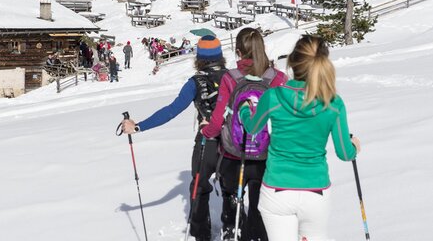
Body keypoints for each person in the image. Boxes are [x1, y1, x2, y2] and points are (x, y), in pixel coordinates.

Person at [238, 34, 361, 241]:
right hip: (315, 192)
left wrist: (244, 111)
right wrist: (354, 146)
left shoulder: (274, 96)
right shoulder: (333, 103)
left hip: (277, 190)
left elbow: (252, 129)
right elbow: (344, 153)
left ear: (293, 62)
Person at [122, 35, 227, 241]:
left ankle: (201, 233)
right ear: (220, 55)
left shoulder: (195, 83)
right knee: (231, 188)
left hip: (207, 142)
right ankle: (234, 229)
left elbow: (172, 110)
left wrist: (139, 126)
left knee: (198, 185)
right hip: (232, 141)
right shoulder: (233, 77)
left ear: (199, 58)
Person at [201, 28, 287, 241]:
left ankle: (232, 233)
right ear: (262, 48)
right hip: (266, 157)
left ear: (238, 51)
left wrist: (206, 131)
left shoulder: (231, 78)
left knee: (231, 203)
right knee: (260, 208)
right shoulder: (278, 78)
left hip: (233, 155)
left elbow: (219, 116)